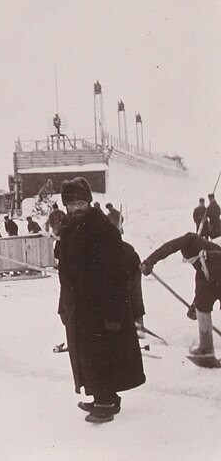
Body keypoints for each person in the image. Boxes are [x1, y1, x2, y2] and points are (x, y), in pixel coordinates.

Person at [55, 177, 145, 424]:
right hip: (81, 305)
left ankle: (105, 401)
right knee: (88, 353)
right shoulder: (71, 227)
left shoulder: (102, 228)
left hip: (102, 305)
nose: (77, 208)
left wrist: (114, 313)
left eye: (81, 202)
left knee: (102, 352)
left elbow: (117, 274)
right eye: (72, 204)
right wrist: (64, 304)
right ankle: (103, 396)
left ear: (89, 202)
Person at [140, 233, 221, 358]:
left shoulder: (190, 240)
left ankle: (206, 348)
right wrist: (196, 305)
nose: (192, 263)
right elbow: (203, 289)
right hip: (214, 270)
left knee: (202, 306)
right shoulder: (209, 253)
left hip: (212, 265)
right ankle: (205, 348)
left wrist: (149, 261)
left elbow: (170, 247)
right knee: (202, 305)